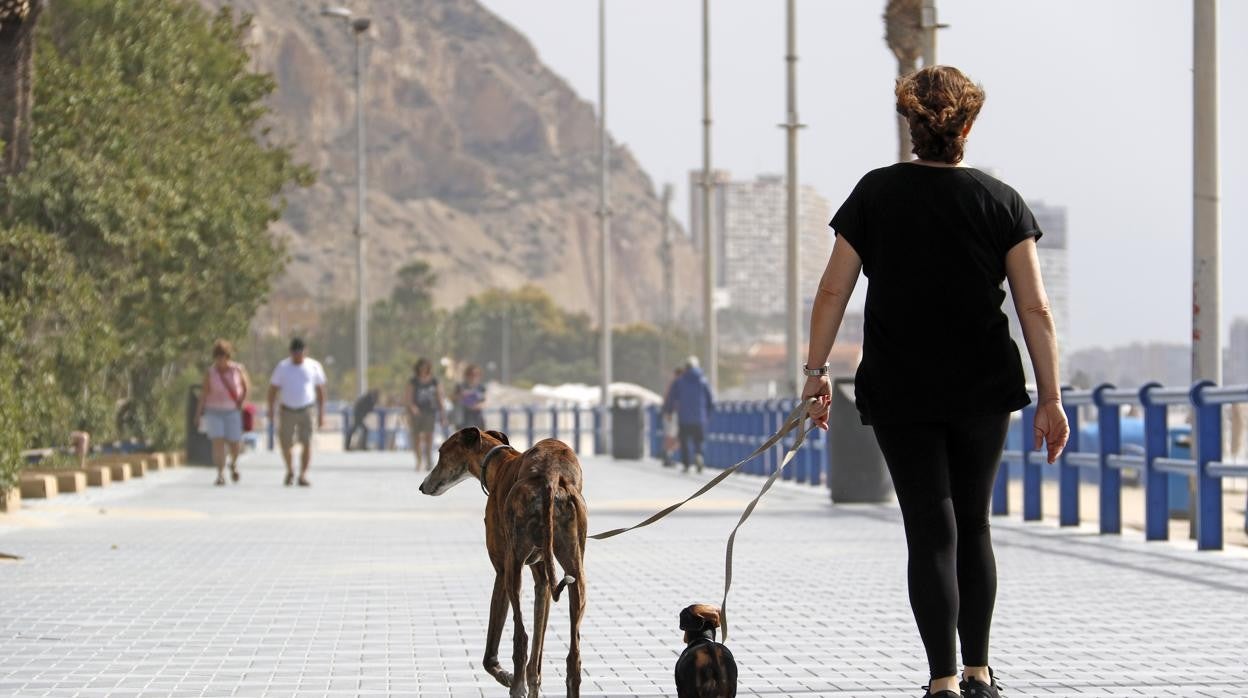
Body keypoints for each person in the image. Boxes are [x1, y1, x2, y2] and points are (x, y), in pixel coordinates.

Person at [801, 66, 1069, 698]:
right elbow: (1035, 308)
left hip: (899, 387)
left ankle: (943, 681)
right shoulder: (1001, 201)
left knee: (928, 527)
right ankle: (979, 672)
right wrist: (1051, 397)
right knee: (973, 523)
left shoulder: (873, 195)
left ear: (910, 127)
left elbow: (833, 290)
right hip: (982, 384)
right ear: (968, 127)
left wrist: (815, 375)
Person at [267, 337, 327, 487]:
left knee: (307, 442)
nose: (297, 355)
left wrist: (321, 414)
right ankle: (290, 470)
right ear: (290, 352)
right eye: (295, 352)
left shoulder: (313, 366)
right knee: (285, 443)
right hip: (287, 410)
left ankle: (303, 474)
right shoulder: (282, 367)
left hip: (307, 409)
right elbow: (273, 390)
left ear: (305, 351)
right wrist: (270, 410)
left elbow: (320, 391)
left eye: (300, 352)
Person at [194, 339, 251, 486]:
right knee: (217, 442)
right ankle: (220, 474)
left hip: (232, 410)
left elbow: (246, 388)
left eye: (223, 357)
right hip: (213, 411)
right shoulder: (211, 373)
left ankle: (234, 463)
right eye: (218, 357)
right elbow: (204, 394)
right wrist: (198, 413)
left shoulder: (237, 369)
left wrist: (242, 403)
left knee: (234, 442)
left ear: (228, 357)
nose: (220, 361)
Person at [663, 356, 713, 473]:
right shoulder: (703, 380)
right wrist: (708, 413)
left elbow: (671, 398)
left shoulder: (680, 381)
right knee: (699, 440)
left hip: (684, 417)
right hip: (699, 417)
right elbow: (710, 399)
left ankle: (686, 464)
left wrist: (669, 411)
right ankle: (699, 455)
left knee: (684, 441)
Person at [405, 358, 446, 471]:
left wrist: (443, 414)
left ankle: (428, 460)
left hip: (430, 411)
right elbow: (408, 397)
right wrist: (412, 408)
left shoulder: (434, 381)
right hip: (417, 412)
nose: (423, 369)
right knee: (416, 438)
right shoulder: (413, 381)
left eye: (425, 367)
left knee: (429, 437)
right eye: (421, 367)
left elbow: (440, 397)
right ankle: (419, 461)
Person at [660, 366, 684, 467]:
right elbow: (670, 400)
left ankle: (667, 455)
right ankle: (667, 456)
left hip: (671, 413)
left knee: (672, 437)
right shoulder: (676, 384)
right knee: (672, 436)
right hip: (672, 413)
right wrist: (669, 412)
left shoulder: (674, 384)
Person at [453, 364, 487, 429]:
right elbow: (453, 399)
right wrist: (462, 396)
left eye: (477, 374)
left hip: (477, 419)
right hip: (463, 419)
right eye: (472, 374)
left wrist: (477, 406)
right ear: (467, 375)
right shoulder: (460, 386)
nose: (474, 377)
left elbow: (484, 402)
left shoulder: (481, 387)